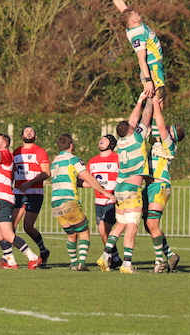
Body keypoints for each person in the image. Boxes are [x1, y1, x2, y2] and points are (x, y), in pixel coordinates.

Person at [97, 90, 155, 273]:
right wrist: (150, 100)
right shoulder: (136, 138)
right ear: (131, 129)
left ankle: (105, 255)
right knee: (131, 226)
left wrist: (139, 99)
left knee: (120, 224)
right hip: (132, 188)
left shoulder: (121, 143)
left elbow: (131, 121)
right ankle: (127, 264)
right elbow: (144, 116)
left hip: (119, 188)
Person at [0, 132, 42, 270]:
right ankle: (11, 262)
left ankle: (33, 257)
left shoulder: (5, 154)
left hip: (2, 197)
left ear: (4, 144)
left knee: (7, 234)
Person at [51, 134, 116, 271]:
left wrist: (90, 185)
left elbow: (75, 180)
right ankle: (81, 263)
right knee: (84, 233)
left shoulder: (55, 161)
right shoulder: (73, 160)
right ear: (71, 145)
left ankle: (73, 264)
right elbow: (90, 178)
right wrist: (105, 192)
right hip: (68, 200)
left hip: (55, 204)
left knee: (71, 233)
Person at [97, 0, 165, 100]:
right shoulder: (137, 34)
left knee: (158, 102)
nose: (137, 12)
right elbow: (141, 59)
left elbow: (121, 6)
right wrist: (148, 79)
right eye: (135, 13)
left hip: (155, 67)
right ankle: (151, 120)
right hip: (152, 69)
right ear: (134, 20)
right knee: (157, 102)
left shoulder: (134, 25)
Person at [145, 96, 185, 273]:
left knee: (152, 224)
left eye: (171, 129)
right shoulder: (159, 142)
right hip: (149, 186)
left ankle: (159, 261)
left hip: (160, 185)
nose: (167, 129)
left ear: (173, 135)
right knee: (148, 225)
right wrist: (155, 105)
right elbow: (155, 124)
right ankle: (170, 255)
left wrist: (155, 104)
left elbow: (160, 125)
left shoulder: (170, 145)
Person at [11, 125, 51, 266]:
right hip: (19, 193)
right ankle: (8, 257)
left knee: (28, 226)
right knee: (11, 226)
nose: (29, 133)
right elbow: (12, 173)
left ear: (35, 136)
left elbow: (46, 173)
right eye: (26, 131)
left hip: (35, 193)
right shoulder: (16, 152)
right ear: (22, 136)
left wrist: (29, 183)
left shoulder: (39, 151)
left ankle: (43, 250)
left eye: (31, 131)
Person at [83, 134, 123, 269]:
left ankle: (109, 256)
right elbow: (84, 180)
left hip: (112, 200)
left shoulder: (118, 158)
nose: (101, 140)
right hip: (98, 201)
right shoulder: (93, 161)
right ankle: (115, 257)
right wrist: (93, 184)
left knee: (102, 228)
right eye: (101, 138)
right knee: (104, 231)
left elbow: (125, 176)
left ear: (111, 143)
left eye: (105, 139)